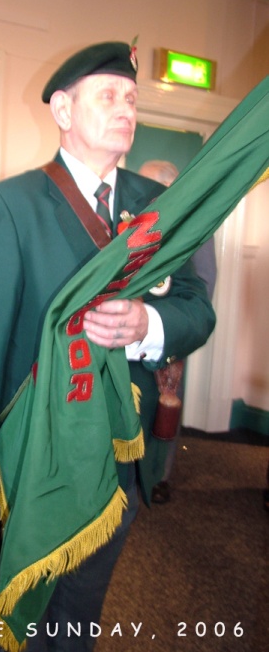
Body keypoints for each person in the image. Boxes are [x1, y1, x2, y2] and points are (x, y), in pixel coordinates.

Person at [0, 42, 216, 652]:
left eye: (132, 98)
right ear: (60, 108)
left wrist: (149, 328)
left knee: (79, 620)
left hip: (116, 458)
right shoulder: (11, 204)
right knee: (23, 619)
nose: (125, 109)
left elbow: (197, 308)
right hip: (38, 458)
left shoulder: (159, 205)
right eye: (106, 95)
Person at [138, 160, 217, 503]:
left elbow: (204, 283)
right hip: (135, 335)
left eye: (149, 188)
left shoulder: (195, 225)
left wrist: (175, 328)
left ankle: (160, 477)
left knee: (168, 405)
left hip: (171, 335)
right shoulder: (142, 224)